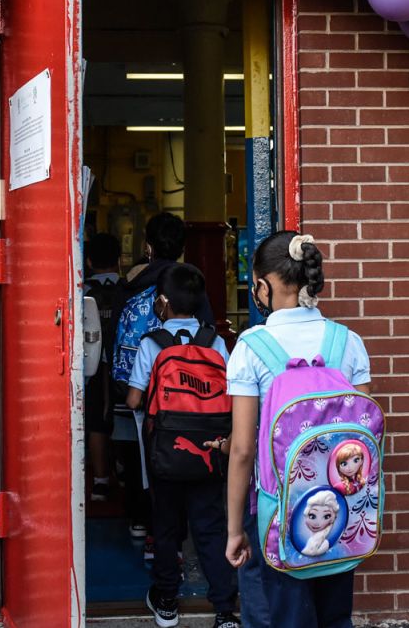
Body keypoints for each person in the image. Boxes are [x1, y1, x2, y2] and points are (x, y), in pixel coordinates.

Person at [223, 231, 371, 628]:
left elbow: (242, 450)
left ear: (263, 285)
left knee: (275, 616)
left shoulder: (252, 347)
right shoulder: (348, 341)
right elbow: (361, 432)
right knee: (334, 616)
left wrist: (234, 530)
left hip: (273, 511)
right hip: (341, 507)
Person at [126, 264, 238, 628]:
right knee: (210, 528)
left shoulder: (152, 343)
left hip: (165, 454)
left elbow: (132, 400)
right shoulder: (216, 342)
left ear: (163, 302)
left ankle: (167, 602)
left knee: (166, 527)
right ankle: (224, 610)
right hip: (210, 450)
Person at [113, 212, 215, 546]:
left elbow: (120, 360)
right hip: (196, 408)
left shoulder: (129, 292)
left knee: (144, 463)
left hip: (142, 400)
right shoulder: (193, 289)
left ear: (147, 246)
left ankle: (142, 524)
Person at [83, 233, 123, 501]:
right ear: (119, 261)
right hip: (124, 366)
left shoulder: (82, 291)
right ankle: (122, 469)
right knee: (122, 417)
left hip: (91, 366)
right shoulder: (128, 288)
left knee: (96, 419)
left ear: (88, 261)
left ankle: (100, 480)